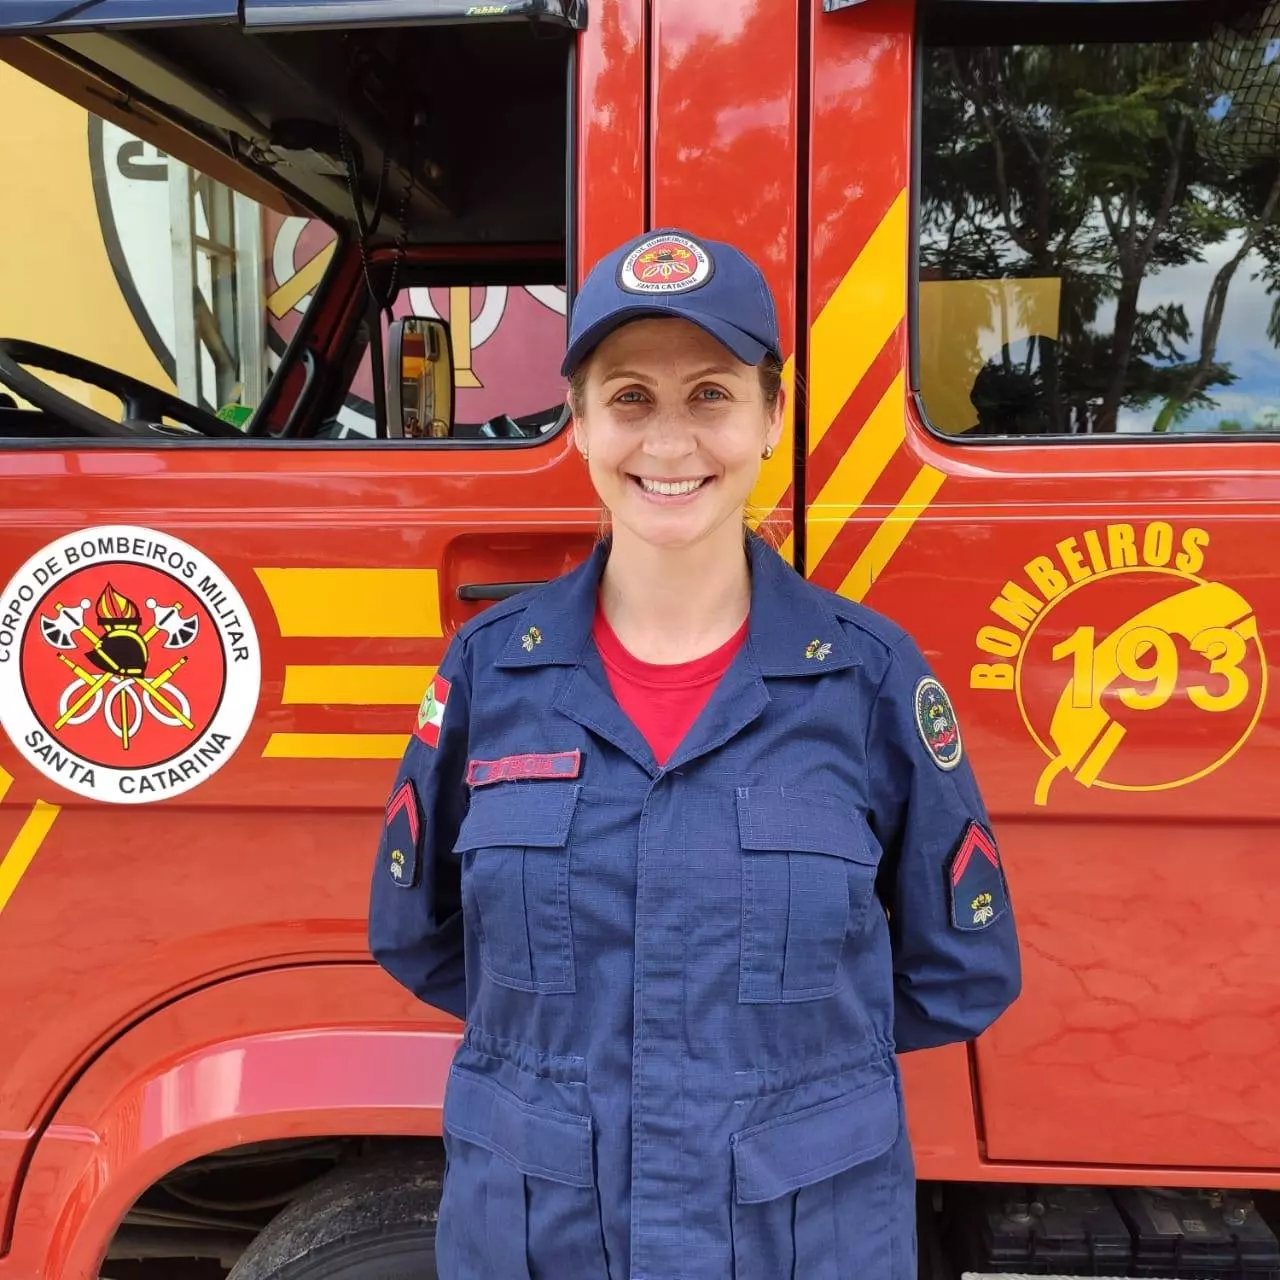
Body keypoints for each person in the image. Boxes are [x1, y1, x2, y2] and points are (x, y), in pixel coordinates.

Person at [368, 229, 1021, 1280]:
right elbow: (416, 934)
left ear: (769, 415)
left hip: (798, 1232)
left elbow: (959, 968)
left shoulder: (865, 678)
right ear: (575, 420)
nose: (668, 443)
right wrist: (584, 1044)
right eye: (629, 396)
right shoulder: (491, 672)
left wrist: (780, 1065)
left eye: (709, 393)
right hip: (539, 1229)